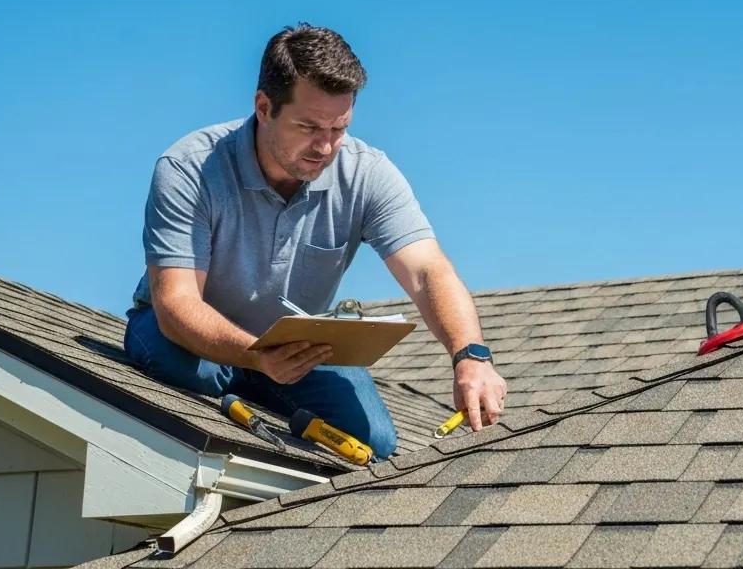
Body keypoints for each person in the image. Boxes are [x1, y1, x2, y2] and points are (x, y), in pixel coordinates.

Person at [122, 23, 506, 459]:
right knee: (201, 373)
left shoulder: (366, 173)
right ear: (264, 107)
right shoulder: (190, 167)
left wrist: (471, 357)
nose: (325, 147)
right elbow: (176, 304)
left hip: (293, 344)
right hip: (185, 334)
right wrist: (253, 356)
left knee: (374, 443)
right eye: (308, 127)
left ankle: (259, 384)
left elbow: (426, 271)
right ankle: (246, 381)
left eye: (338, 129)